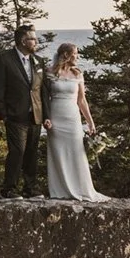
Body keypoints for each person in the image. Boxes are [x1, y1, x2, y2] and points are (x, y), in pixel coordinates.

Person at [0, 24, 51, 198]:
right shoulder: (4, 59)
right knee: (17, 151)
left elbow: (43, 90)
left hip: (36, 115)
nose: (36, 41)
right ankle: (9, 189)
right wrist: (4, 113)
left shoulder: (38, 61)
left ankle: (30, 188)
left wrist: (46, 115)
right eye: (33, 38)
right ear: (23, 41)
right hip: (15, 115)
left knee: (32, 152)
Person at [45, 43, 108, 202]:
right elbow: (43, 98)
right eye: (75, 54)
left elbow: (82, 100)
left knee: (76, 152)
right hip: (55, 117)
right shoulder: (50, 72)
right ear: (66, 55)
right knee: (58, 153)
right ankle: (59, 190)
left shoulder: (77, 74)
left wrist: (90, 122)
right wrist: (45, 118)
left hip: (72, 117)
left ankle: (81, 188)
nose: (77, 57)